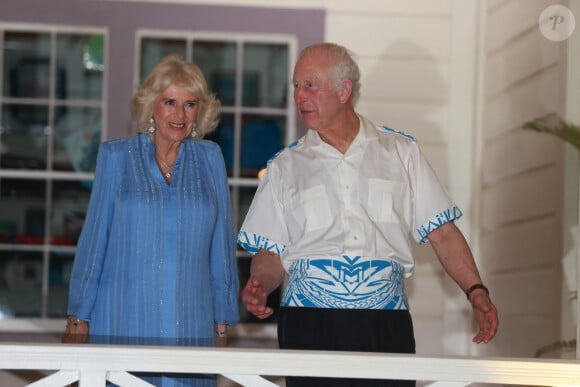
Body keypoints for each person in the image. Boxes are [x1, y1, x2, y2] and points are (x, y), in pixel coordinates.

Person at [237, 42, 498, 387]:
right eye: (296, 86)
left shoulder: (402, 153)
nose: (300, 96)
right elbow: (270, 254)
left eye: (310, 85)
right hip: (308, 322)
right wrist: (260, 285)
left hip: (385, 321)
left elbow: (443, 234)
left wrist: (476, 290)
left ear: (344, 90)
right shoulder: (285, 166)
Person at [62, 54, 240, 387]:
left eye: (190, 104)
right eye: (170, 102)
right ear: (152, 107)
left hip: (192, 323)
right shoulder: (116, 157)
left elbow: (221, 248)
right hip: (122, 320)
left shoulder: (210, 160)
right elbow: (94, 240)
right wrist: (77, 317)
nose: (179, 114)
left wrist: (221, 320)